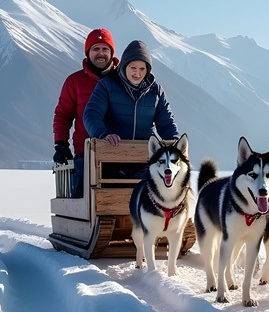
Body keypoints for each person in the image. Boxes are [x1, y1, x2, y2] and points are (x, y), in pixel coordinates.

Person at [52, 28, 119, 195]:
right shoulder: (75, 81)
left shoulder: (123, 80)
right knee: (84, 200)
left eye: (105, 49)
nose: (101, 54)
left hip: (121, 153)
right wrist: (61, 145)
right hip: (86, 154)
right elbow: (62, 115)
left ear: (111, 52)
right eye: (96, 49)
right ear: (88, 52)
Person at [83, 40, 180, 150]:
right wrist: (103, 134)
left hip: (145, 153)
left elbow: (166, 123)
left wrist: (175, 143)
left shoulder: (156, 91)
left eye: (142, 69)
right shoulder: (107, 85)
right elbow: (92, 114)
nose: (137, 73)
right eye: (133, 68)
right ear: (125, 66)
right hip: (112, 151)